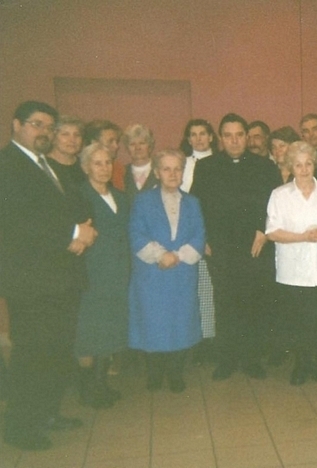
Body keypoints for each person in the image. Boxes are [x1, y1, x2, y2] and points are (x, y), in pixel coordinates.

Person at [0, 101, 97, 451]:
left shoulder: (44, 165)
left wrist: (84, 228)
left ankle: (47, 413)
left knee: (56, 352)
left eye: (49, 127)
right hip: (32, 282)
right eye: (36, 124)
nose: (44, 132)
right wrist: (72, 233)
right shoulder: (8, 165)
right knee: (33, 355)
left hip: (61, 278)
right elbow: (18, 221)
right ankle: (19, 427)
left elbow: (72, 207)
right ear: (16, 125)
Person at [191, 113, 281, 381]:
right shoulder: (207, 167)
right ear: (220, 138)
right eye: (228, 135)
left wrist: (264, 231)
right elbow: (196, 205)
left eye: (239, 135)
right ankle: (227, 360)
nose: (234, 141)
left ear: (246, 136)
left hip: (255, 245)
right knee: (225, 302)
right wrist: (203, 238)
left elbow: (276, 205)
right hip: (220, 247)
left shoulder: (265, 166)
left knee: (252, 302)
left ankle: (251, 359)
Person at [128, 149, 205, 393]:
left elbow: (199, 235)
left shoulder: (192, 203)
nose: (173, 174)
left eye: (177, 169)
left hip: (182, 273)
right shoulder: (143, 201)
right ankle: (154, 373)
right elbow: (136, 233)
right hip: (153, 274)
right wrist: (161, 255)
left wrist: (178, 256)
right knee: (153, 324)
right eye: (166, 169)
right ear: (157, 172)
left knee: (180, 323)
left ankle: (175, 373)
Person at [266, 141, 317, 385]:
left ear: (315, 164)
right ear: (290, 167)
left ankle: (315, 361)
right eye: (298, 165)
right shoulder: (280, 195)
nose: (304, 169)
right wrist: (303, 237)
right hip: (292, 267)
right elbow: (272, 232)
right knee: (296, 318)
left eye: (308, 164)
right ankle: (301, 363)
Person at [74, 143, 130, 409]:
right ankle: (88, 388)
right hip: (92, 273)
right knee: (90, 331)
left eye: (108, 162)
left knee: (109, 329)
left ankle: (101, 383)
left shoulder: (120, 196)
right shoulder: (78, 196)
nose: (104, 168)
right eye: (97, 163)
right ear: (86, 167)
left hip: (118, 274)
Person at [179, 119, 219, 364]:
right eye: (193, 134)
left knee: (210, 292)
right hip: (188, 235)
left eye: (203, 133)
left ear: (211, 136)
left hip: (212, 236)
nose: (199, 138)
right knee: (192, 290)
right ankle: (193, 340)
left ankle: (210, 341)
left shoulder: (220, 162)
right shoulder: (182, 164)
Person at [83, 119, 124, 190]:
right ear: (94, 143)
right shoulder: (79, 170)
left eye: (116, 141)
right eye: (110, 141)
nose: (116, 146)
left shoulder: (118, 168)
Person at [122, 123, 158, 201]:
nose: (137, 148)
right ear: (127, 148)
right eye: (132, 144)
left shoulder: (161, 170)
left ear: (150, 146)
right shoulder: (121, 173)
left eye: (142, 143)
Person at [47, 115, 86, 186]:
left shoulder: (85, 165)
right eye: (65, 134)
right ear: (53, 138)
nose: (72, 140)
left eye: (77, 135)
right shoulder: (44, 165)